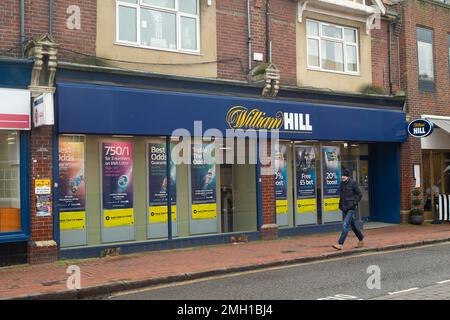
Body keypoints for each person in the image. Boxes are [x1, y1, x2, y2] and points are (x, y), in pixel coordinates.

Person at [333, 169, 364, 250]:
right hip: (344, 208)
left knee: (345, 224)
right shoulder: (341, 184)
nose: (342, 177)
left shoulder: (353, 183)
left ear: (348, 176)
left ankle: (340, 244)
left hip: (351, 208)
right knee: (353, 226)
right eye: (342, 176)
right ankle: (361, 239)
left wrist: (355, 203)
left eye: (344, 176)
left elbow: (359, 194)